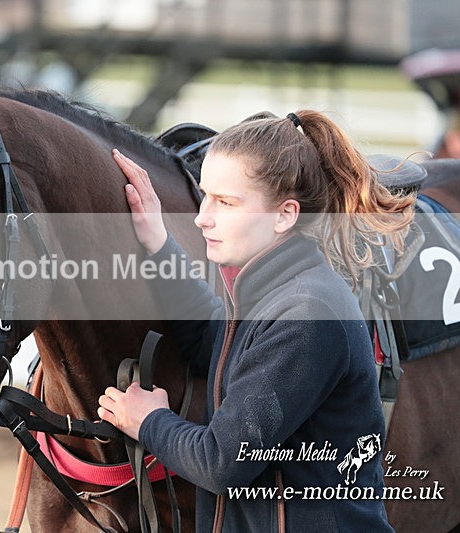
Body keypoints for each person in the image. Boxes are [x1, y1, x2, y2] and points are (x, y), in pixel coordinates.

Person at [97, 111, 414, 531]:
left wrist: (149, 420)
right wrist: (159, 244)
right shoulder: (275, 291)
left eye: (226, 202)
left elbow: (222, 462)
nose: (202, 217)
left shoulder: (306, 316)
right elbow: (213, 339)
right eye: (205, 196)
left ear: (284, 215)